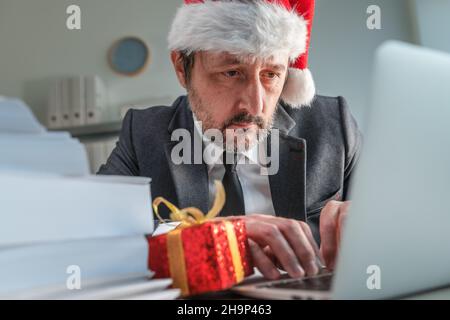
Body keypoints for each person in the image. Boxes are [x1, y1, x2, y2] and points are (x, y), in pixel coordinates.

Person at [98, 0, 362, 280]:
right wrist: (217, 237)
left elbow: (397, 222)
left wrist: (371, 220)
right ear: (181, 68)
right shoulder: (143, 134)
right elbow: (92, 236)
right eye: (232, 73)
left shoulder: (333, 124)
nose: (255, 105)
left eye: (271, 75)